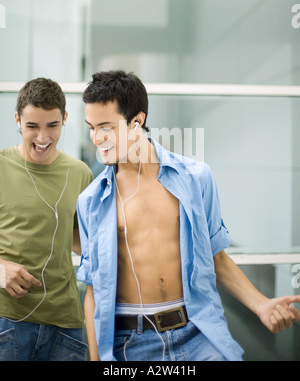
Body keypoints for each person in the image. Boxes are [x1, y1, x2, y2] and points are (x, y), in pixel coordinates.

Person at [77, 70, 300, 362]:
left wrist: (261, 305)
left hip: (198, 335)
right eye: (91, 127)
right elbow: (93, 288)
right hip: (131, 344)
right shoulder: (91, 201)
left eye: (105, 127)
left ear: (137, 121)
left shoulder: (196, 178)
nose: (96, 138)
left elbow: (217, 256)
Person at [0, 78, 94, 361]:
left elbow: (81, 241)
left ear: (64, 119)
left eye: (52, 126)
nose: (42, 138)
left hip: (65, 324)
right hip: (7, 320)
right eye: (32, 126)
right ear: (17, 120)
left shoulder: (80, 173)